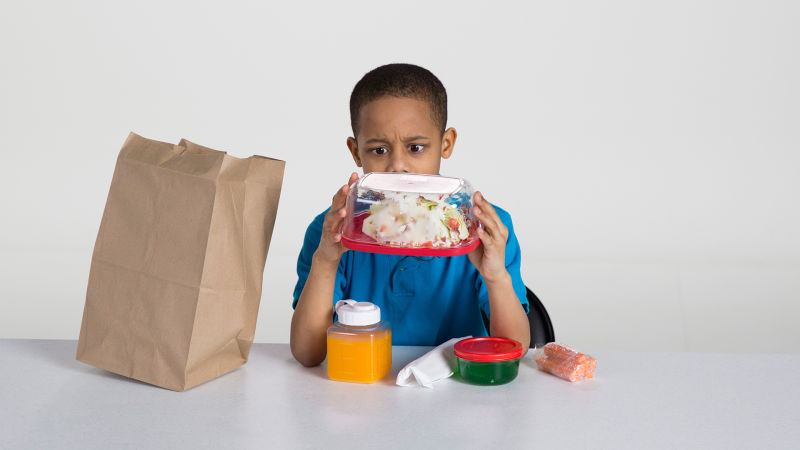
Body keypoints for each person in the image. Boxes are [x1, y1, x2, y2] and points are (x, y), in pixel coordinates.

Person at [290, 63, 530, 367]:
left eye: (416, 147)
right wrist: (326, 259)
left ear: (446, 144)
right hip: (363, 388)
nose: (398, 166)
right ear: (356, 152)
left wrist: (495, 275)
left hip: (461, 388)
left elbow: (516, 350)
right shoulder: (331, 231)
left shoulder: (484, 229)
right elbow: (307, 354)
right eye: (379, 150)